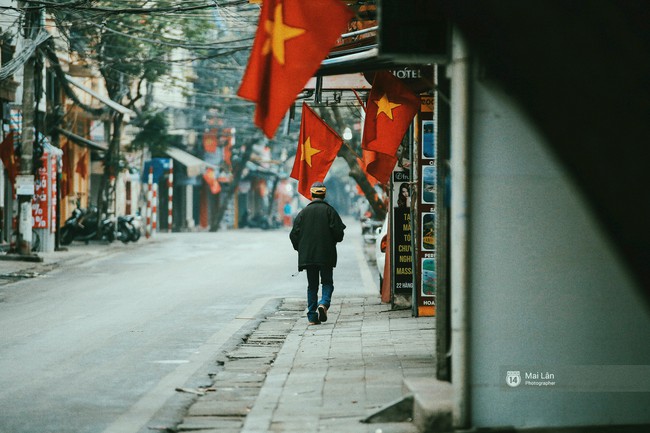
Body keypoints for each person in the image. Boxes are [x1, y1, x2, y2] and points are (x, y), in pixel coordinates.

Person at [290, 182, 346, 325]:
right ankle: (324, 303)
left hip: (308, 256)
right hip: (326, 255)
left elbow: (293, 235)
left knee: (312, 285)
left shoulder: (302, 213)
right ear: (324, 194)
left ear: (312, 195)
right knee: (327, 282)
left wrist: (301, 249)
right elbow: (339, 234)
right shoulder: (330, 211)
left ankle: (312, 316)